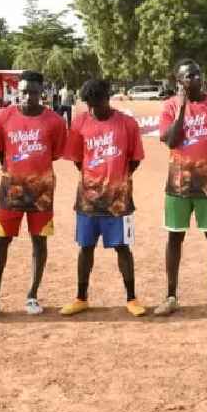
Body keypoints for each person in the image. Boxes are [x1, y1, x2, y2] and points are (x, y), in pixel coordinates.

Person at [0, 70, 67, 319]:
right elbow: (0, 153)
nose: (28, 96)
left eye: (34, 92)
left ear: (42, 94)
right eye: (24, 91)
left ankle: (32, 296)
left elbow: (55, 154)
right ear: (18, 91)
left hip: (42, 192)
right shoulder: (3, 118)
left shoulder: (55, 122)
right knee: (1, 241)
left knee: (39, 241)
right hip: (11, 191)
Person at [59, 79, 147, 316]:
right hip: (88, 200)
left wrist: (117, 180)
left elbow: (135, 158)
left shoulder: (127, 124)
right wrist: (94, 181)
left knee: (122, 248)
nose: (93, 109)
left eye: (97, 103)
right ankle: (81, 297)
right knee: (85, 248)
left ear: (108, 98)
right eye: (89, 104)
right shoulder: (79, 123)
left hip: (119, 200)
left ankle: (132, 298)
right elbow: (78, 158)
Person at [156, 59, 207, 317]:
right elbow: (171, 141)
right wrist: (181, 109)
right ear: (179, 81)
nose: (195, 79)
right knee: (175, 237)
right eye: (188, 76)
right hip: (178, 185)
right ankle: (170, 296)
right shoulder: (169, 107)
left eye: (197, 74)